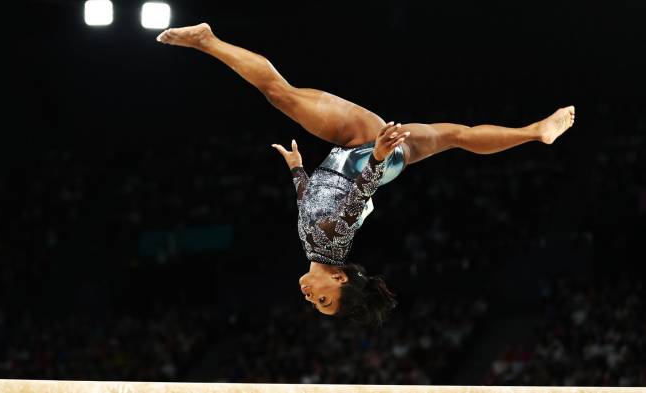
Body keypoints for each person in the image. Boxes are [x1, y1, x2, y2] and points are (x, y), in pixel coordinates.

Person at [156, 23, 576, 326]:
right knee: (280, 94)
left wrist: (298, 171)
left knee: (456, 136)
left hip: (380, 159)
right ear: (339, 279)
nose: (310, 298)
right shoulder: (332, 244)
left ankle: (535, 132)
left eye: (316, 304)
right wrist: (375, 155)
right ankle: (208, 41)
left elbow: (309, 205)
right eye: (324, 299)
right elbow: (357, 195)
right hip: (363, 152)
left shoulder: (316, 247)